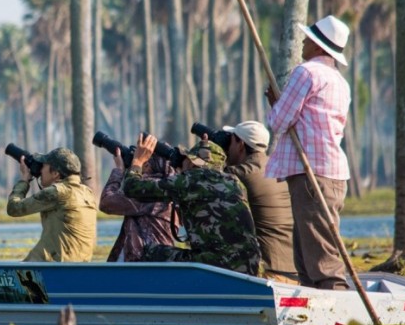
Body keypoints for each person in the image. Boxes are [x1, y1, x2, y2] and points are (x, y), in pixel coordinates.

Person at [265, 15, 352, 290]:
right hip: (331, 173)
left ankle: (336, 305)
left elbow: (278, 122)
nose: (303, 41)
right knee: (306, 253)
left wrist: (274, 104)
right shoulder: (340, 81)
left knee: (321, 258)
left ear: (317, 46)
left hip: (312, 173)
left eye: (308, 39)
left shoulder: (307, 72)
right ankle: (313, 306)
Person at [123, 135, 261, 276]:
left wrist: (138, 161)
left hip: (216, 264)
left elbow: (131, 188)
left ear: (191, 162)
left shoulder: (191, 180)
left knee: (151, 251)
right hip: (251, 265)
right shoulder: (235, 182)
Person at [222, 121, 298, 283]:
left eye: (231, 141)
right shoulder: (280, 168)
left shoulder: (240, 173)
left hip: (268, 273)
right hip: (296, 269)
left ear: (241, 145)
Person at [6, 147, 98, 262]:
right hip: (80, 264)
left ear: (55, 173)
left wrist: (24, 180)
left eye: (43, 166)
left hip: (54, 267)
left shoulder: (57, 192)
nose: (40, 171)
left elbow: (13, 208)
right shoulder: (87, 193)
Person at [100, 148, 178, 262]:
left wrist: (119, 170)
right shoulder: (169, 187)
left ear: (149, 165)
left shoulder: (148, 189)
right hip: (161, 260)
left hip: (144, 264)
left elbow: (106, 202)